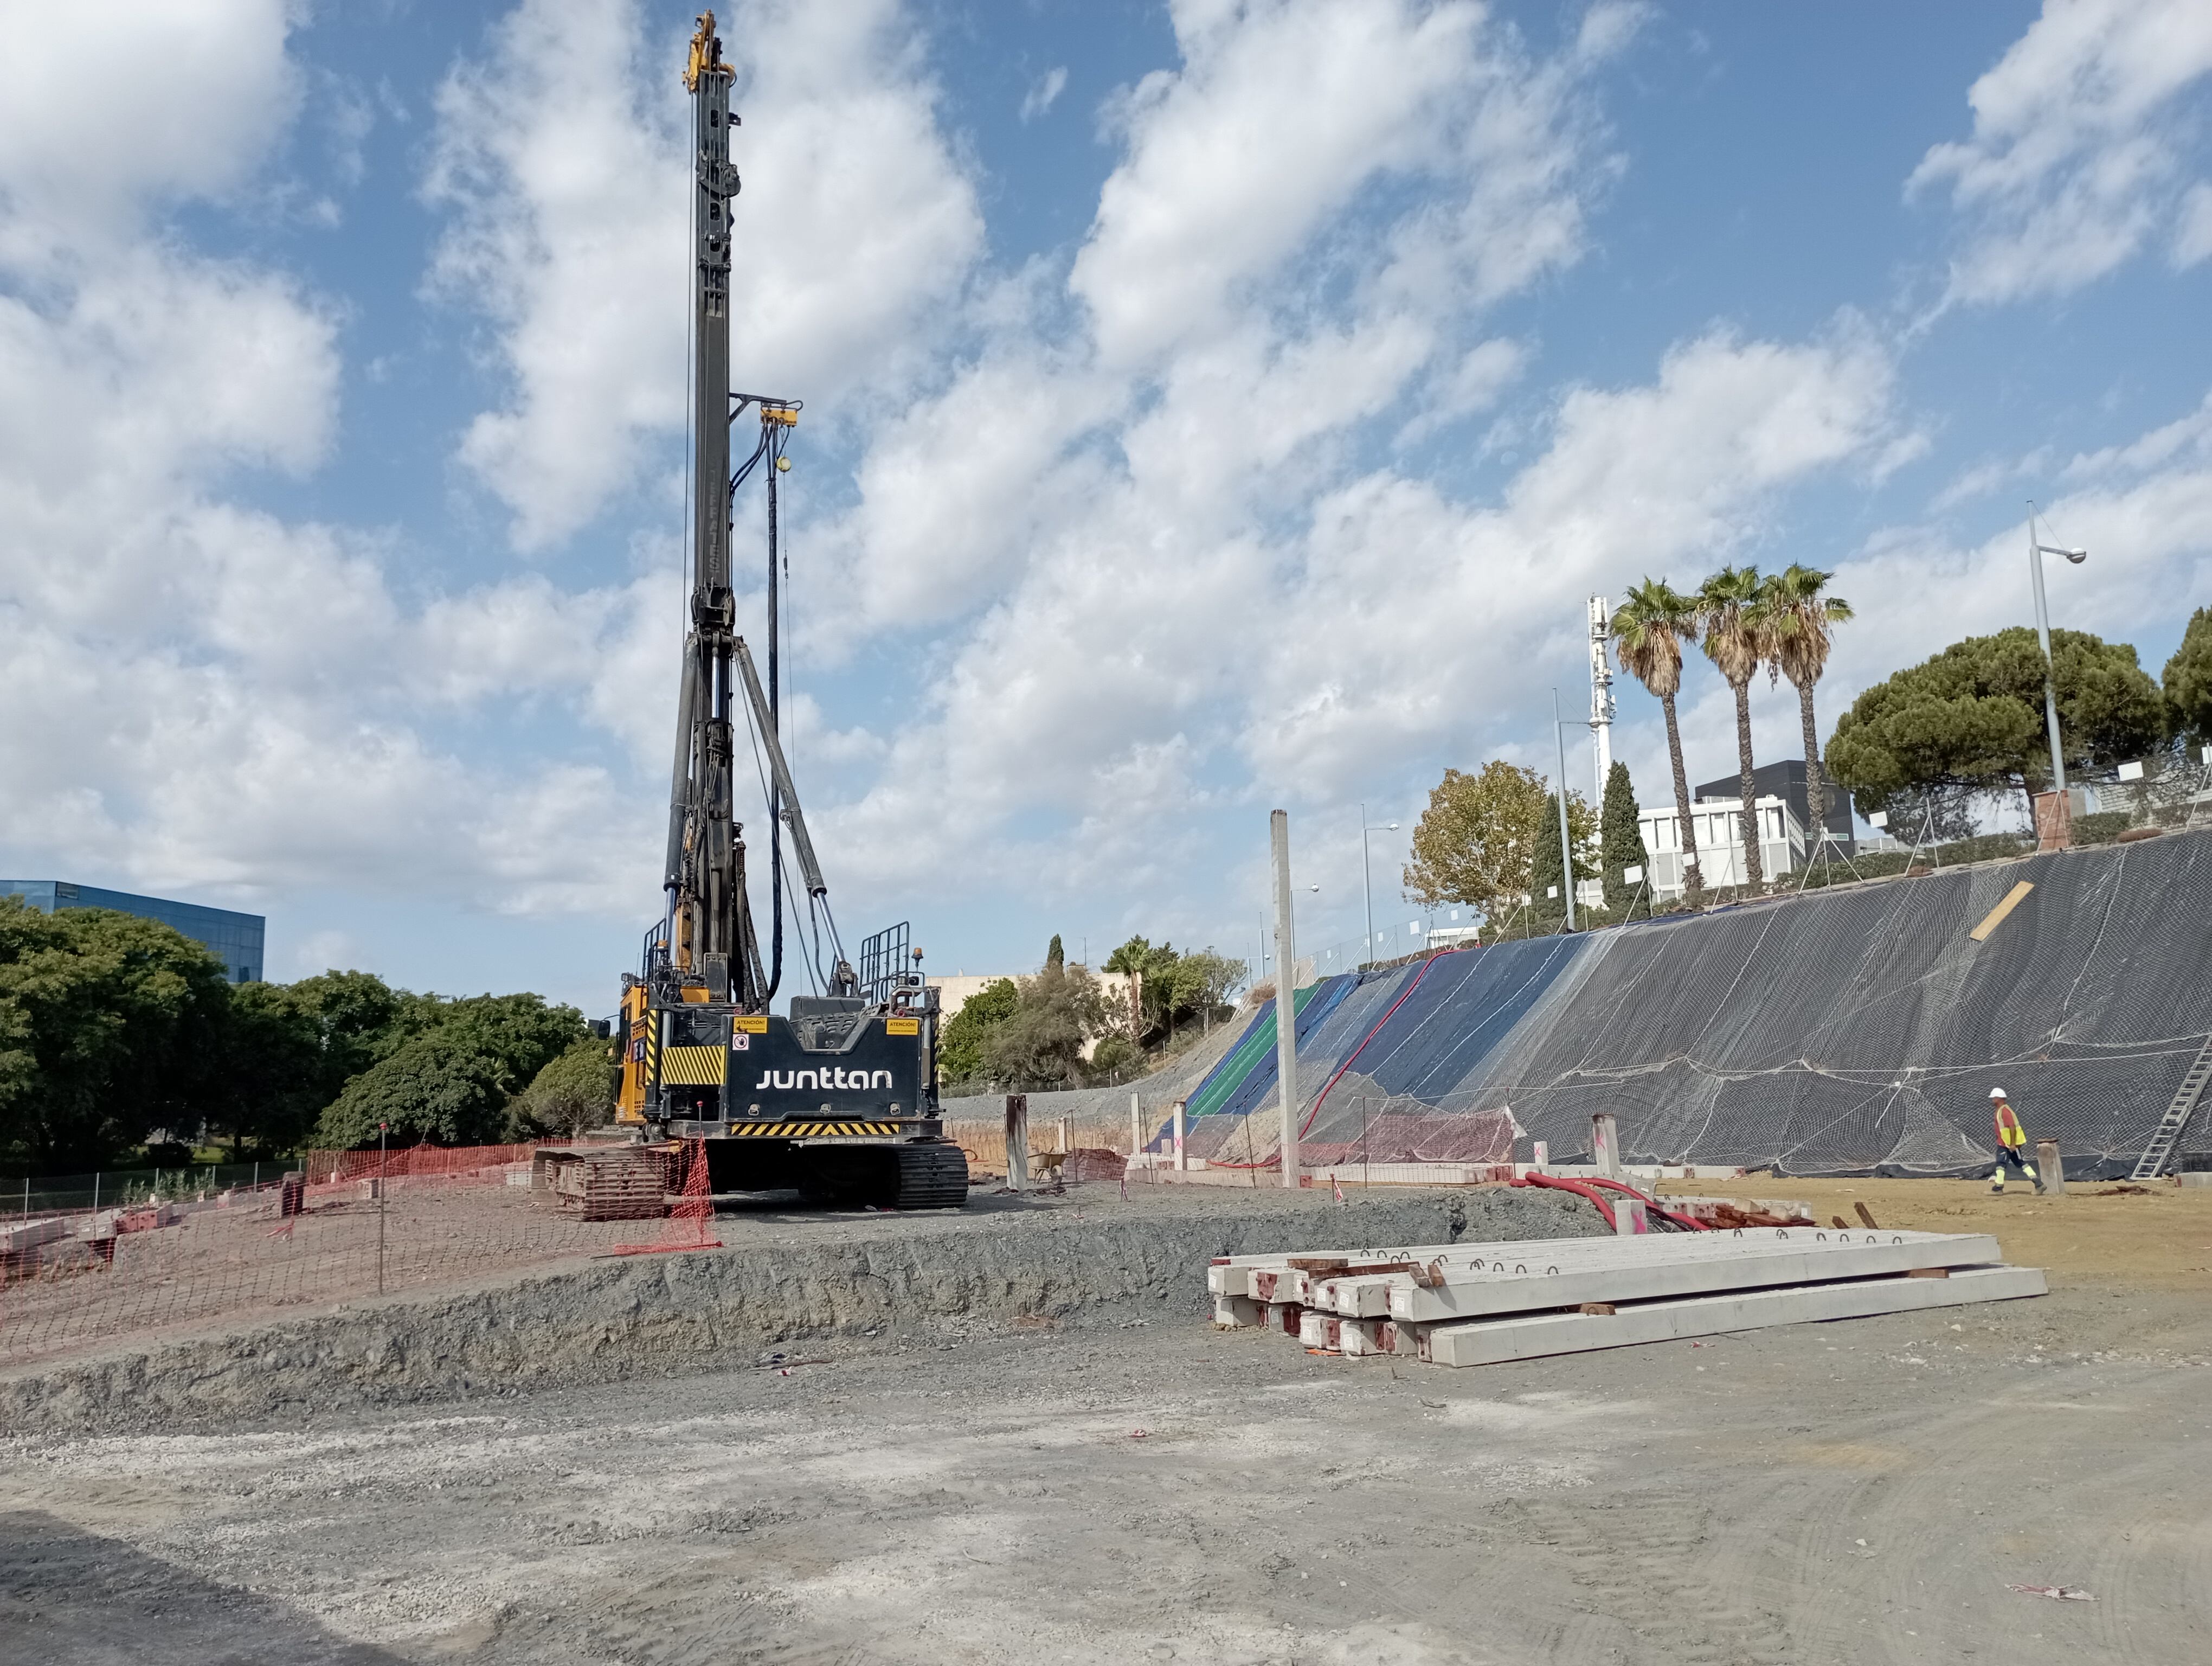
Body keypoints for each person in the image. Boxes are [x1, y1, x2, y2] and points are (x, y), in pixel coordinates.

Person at [1989, 1087, 2042, 1194]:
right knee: (2020, 1163)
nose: (1992, 1100)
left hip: (2006, 1144)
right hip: (2007, 1143)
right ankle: (2039, 1183)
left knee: (2001, 1163)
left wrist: (2012, 1143)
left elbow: (2012, 1127)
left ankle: (1999, 1187)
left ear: (1998, 1099)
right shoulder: (2002, 1110)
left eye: (1993, 1098)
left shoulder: (2005, 1111)